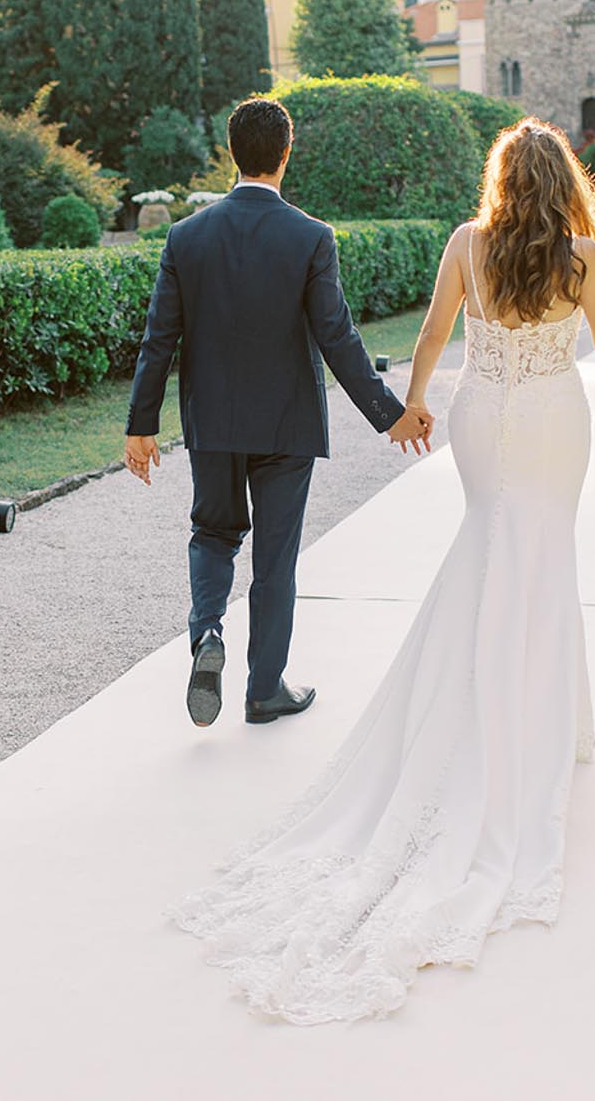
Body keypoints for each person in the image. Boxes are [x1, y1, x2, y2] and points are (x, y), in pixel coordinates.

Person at [167, 116, 595, 1025]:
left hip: (480, 416)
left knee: (487, 542)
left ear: (502, 178)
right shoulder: (581, 254)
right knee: (544, 554)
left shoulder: (469, 245)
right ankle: (549, 719)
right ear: (564, 181)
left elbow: (431, 336)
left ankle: (490, 705)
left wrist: (418, 405)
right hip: (551, 418)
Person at [124, 97, 433, 729]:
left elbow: (160, 338)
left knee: (212, 533)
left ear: (231, 154)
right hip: (288, 425)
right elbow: (338, 337)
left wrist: (141, 425)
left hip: (211, 421)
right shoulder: (311, 236)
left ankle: (207, 633)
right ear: (286, 154)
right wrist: (391, 413)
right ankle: (264, 689)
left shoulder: (186, 236)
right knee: (275, 558)